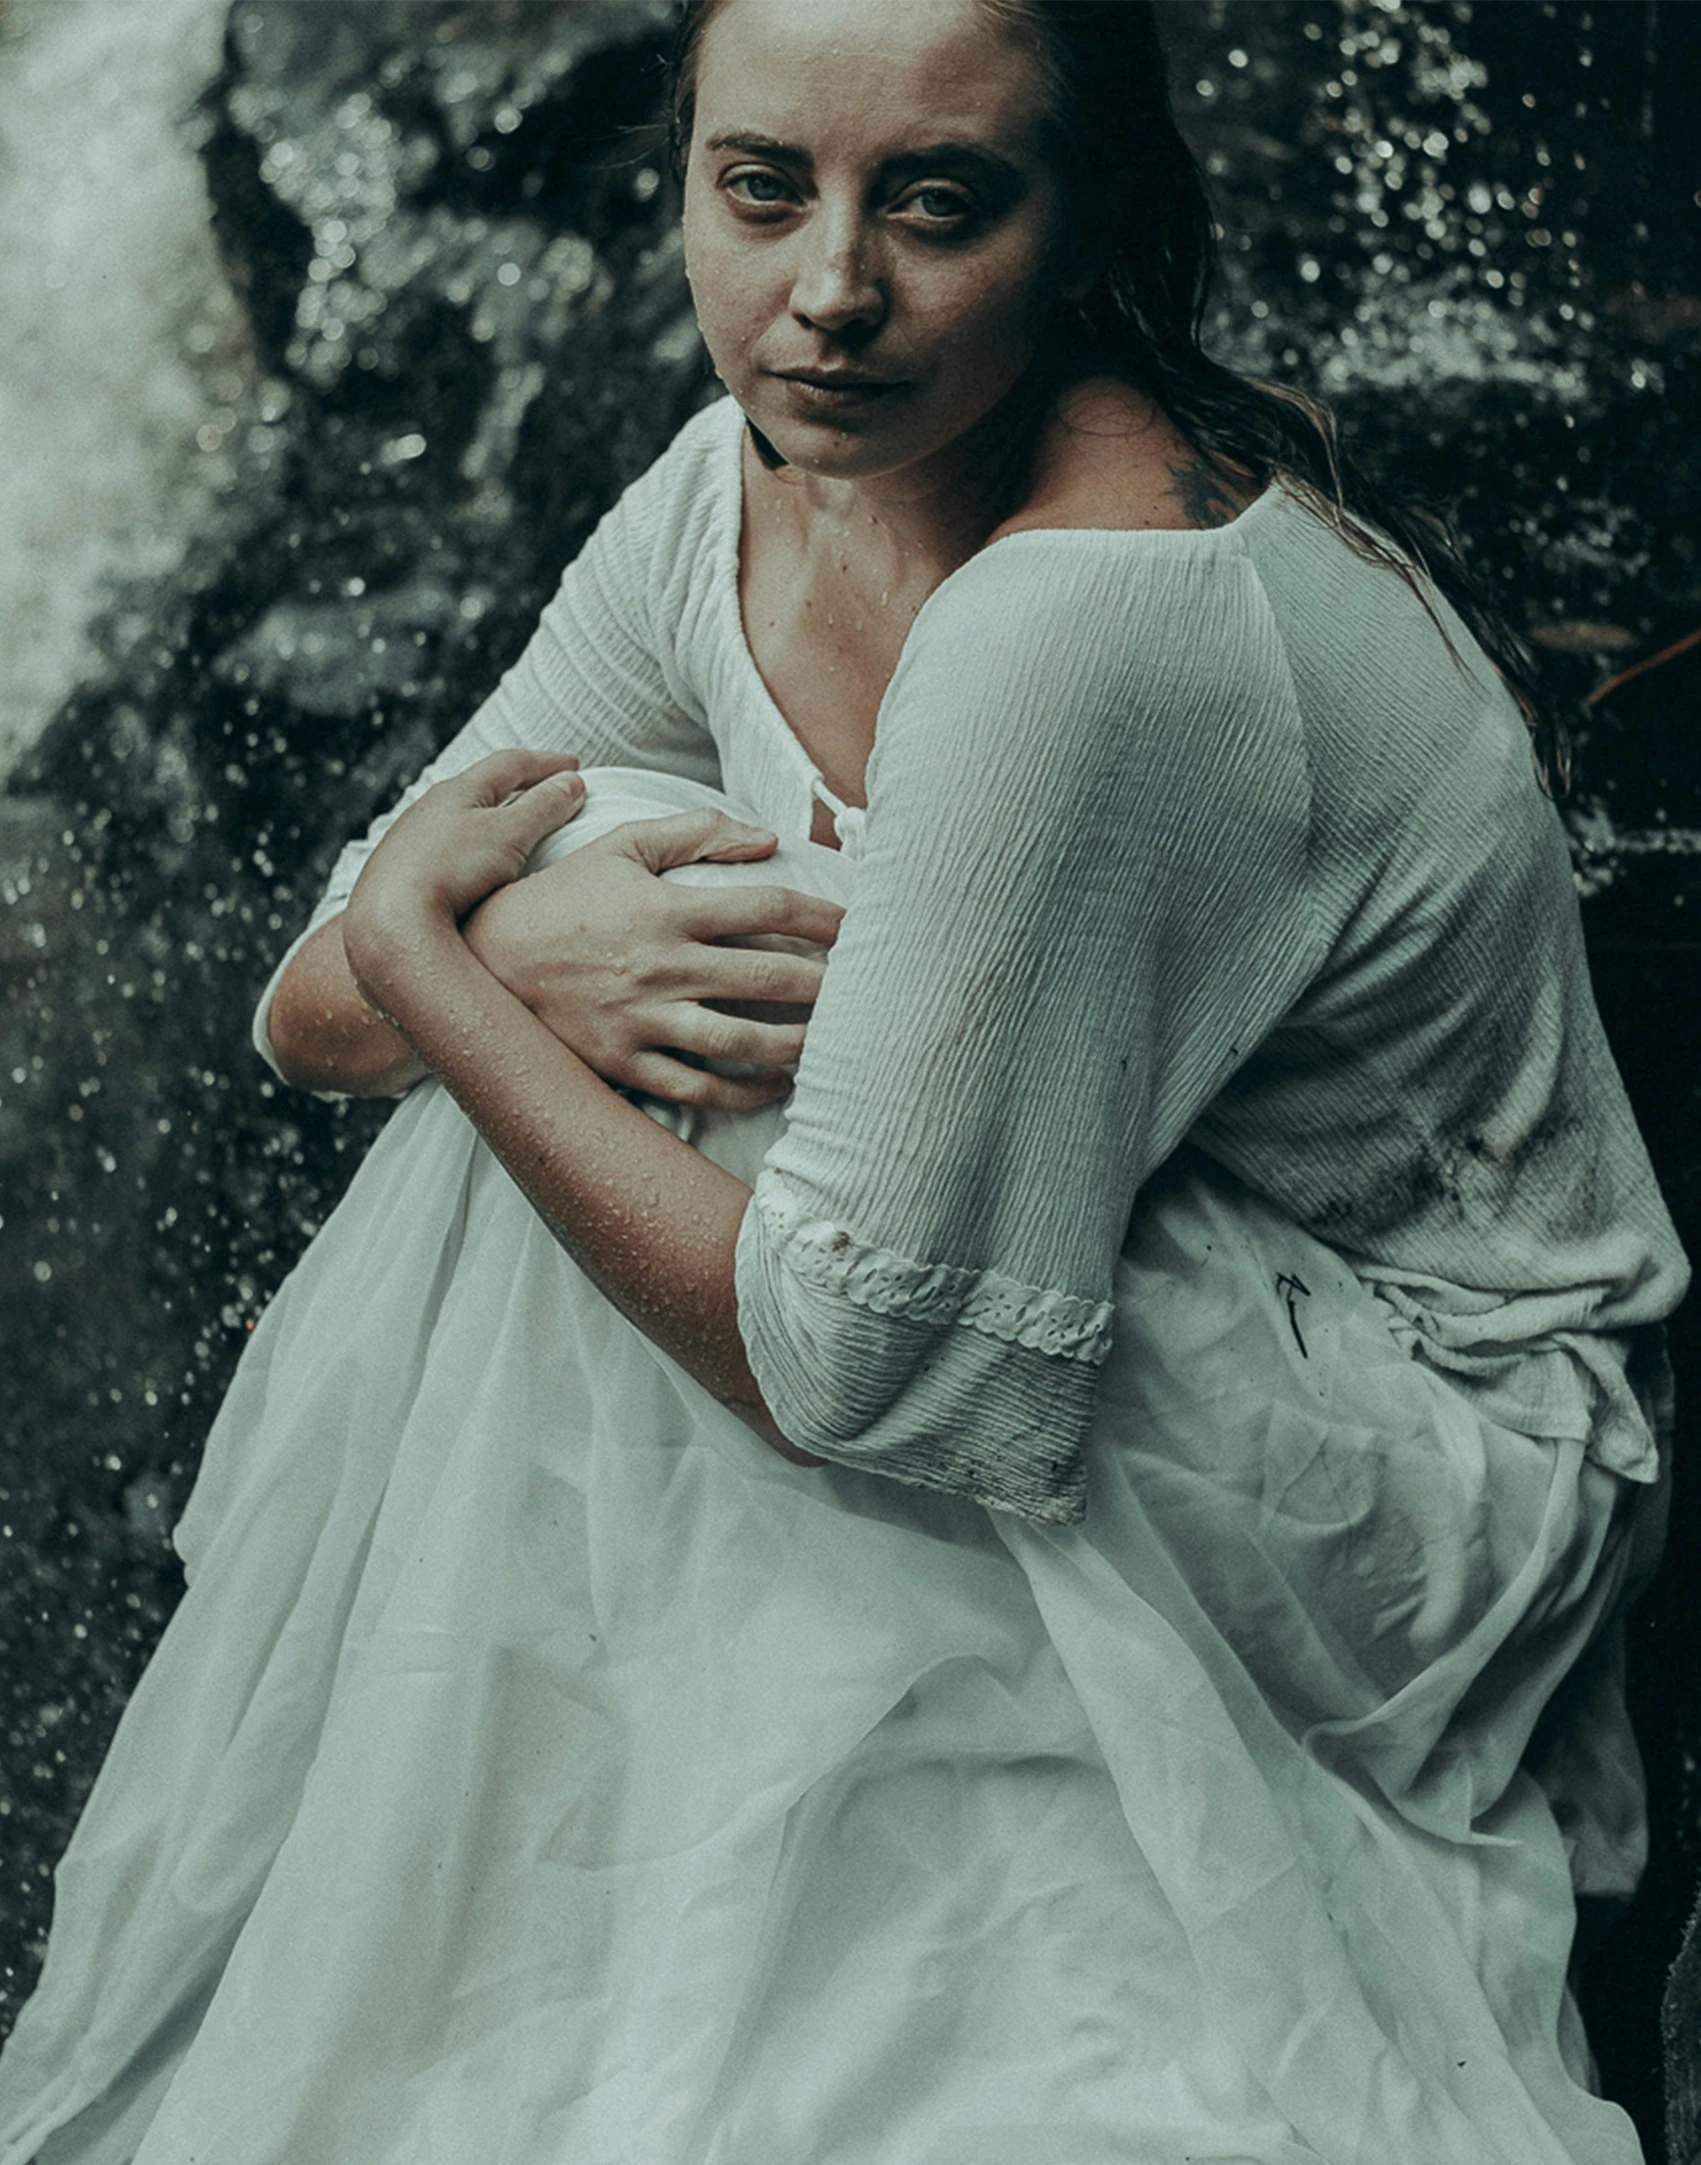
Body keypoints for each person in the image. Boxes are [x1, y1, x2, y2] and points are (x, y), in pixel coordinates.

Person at [0, 0, 1687, 2158]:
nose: (829, 292)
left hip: (1424, 1454)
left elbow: (850, 1361)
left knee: (685, 1042)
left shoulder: (1086, 622)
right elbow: (300, 1000)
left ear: (1085, 227)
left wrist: (458, 952)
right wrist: (491, 949)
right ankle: (593, 1981)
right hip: (1062, 1300)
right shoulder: (743, 481)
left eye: (941, 203)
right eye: (761, 187)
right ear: (685, 182)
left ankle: (605, 2015)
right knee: (611, 929)